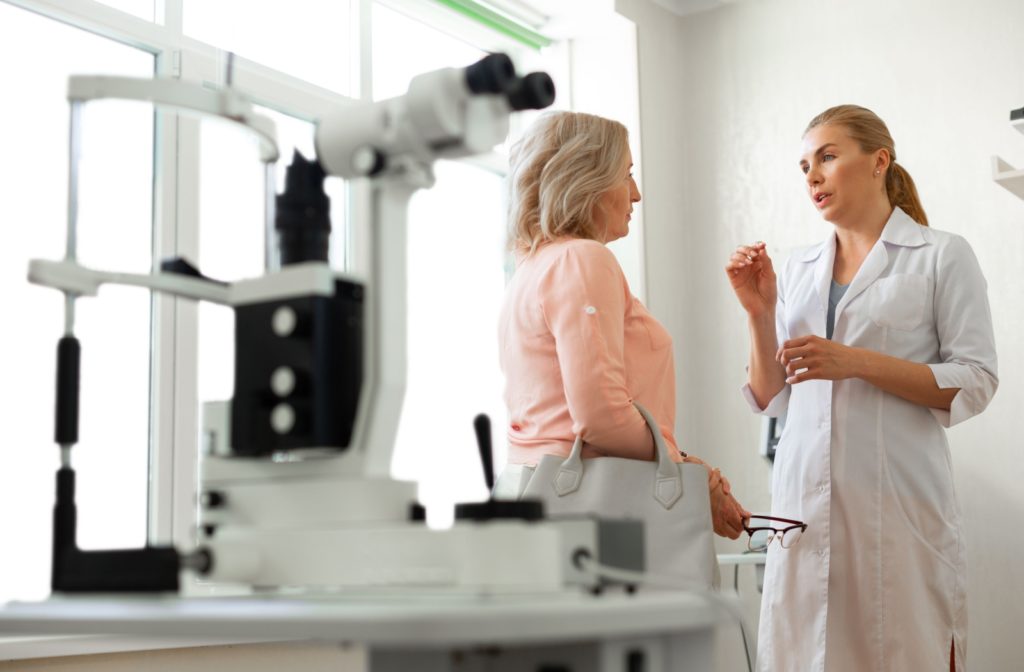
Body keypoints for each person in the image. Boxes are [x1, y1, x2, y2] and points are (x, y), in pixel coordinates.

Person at [726, 105, 997, 672]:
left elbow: (975, 379)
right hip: (805, 507)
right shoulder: (797, 268)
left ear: (879, 161)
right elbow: (775, 397)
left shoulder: (942, 255)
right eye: (804, 165)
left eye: (827, 156)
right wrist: (760, 312)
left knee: (904, 651)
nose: (812, 176)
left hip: (897, 507)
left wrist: (855, 362)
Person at [494, 110, 749, 542]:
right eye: (625, 174)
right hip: (588, 509)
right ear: (585, 179)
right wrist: (686, 470)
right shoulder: (581, 259)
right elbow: (602, 415)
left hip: (535, 491)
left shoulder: (532, 266)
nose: (636, 194)